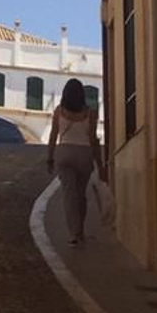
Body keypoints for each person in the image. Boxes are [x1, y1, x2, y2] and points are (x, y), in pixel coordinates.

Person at [46, 77, 104, 246]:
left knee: (69, 196)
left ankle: (74, 234)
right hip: (84, 154)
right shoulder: (90, 113)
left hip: (64, 153)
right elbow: (93, 139)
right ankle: (81, 231)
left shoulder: (59, 111)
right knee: (81, 194)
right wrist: (100, 164)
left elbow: (53, 135)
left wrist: (50, 157)